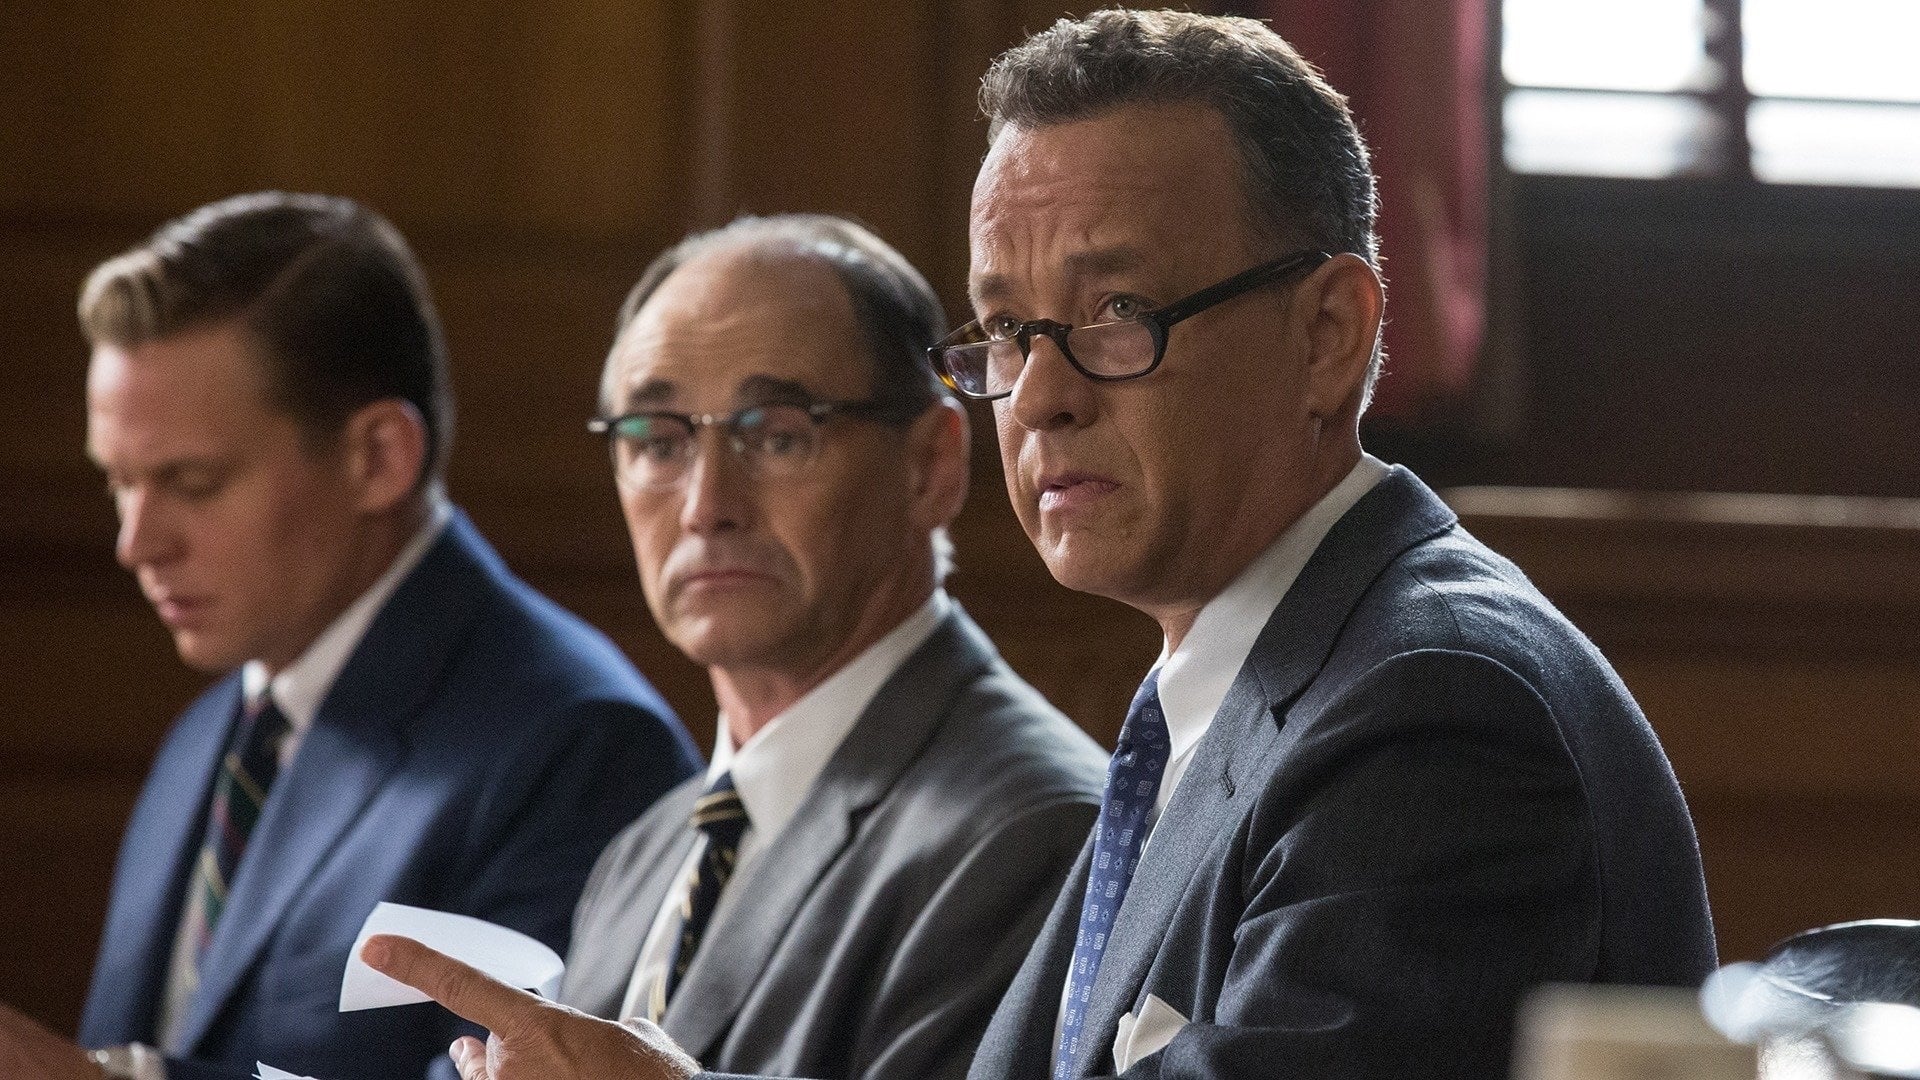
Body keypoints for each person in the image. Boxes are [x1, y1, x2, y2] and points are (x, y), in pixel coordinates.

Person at [361, 10, 1718, 1080]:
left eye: (1117, 313)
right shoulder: (1233, 686)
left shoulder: (1433, 711)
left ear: (1328, 334)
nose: (1044, 395)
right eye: (1008, 331)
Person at [0, 191, 700, 1080]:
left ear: (378, 457)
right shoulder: (209, 733)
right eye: (120, 483)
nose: (135, 543)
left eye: (193, 482)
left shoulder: (579, 744)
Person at [557, 214, 1105, 1079]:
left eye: (778, 434)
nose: (706, 505)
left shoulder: (1034, 832)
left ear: (930, 467)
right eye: (659, 442)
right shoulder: (644, 852)